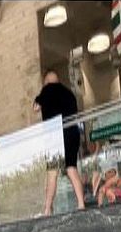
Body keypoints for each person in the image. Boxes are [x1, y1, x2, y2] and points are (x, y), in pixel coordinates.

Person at [33, 70, 85, 215]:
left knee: (52, 172)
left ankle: (47, 209)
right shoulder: (69, 93)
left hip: (54, 135)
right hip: (72, 133)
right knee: (71, 168)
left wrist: (42, 97)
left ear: (46, 81)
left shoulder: (46, 90)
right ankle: (81, 204)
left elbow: (36, 107)